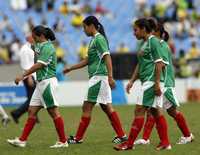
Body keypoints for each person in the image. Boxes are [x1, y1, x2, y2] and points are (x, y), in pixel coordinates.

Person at [63, 15, 127, 144]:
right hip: (99, 77)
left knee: (87, 106)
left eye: (84, 27)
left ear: (91, 26)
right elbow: (88, 60)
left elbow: (107, 57)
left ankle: (78, 138)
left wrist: (110, 76)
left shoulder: (99, 39)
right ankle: (122, 136)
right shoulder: (93, 40)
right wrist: (71, 68)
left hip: (99, 77)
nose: (83, 30)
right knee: (106, 107)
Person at [134, 18, 194, 146]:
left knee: (163, 110)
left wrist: (159, 83)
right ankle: (147, 138)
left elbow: (162, 65)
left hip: (165, 83)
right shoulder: (154, 44)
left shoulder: (161, 44)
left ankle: (185, 135)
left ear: (157, 32)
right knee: (160, 110)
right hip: (163, 82)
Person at [114, 18, 171, 151]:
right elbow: (141, 64)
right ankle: (165, 142)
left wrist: (157, 84)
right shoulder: (144, 44)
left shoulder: (153, 42)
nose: (134, 33)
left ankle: (129, 144)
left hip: (152, 82)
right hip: (147, 81)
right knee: (156, 112)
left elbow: (159, 63)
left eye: (135, 30)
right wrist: (132, 81)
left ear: (144, 29)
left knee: (139, 110)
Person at [7, 25, 68, 148]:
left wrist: (23, 75)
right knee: (31, 111)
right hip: (41, 84)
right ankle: (22, 140)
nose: (32, 37)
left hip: (47, 83)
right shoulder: (40, 45)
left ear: (40, 36)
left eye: (33, 35)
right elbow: (31, 46)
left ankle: (63, 141)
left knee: (53, 112)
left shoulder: (48, 48)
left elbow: (39, 65)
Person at [10, 35, 38, 124]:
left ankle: (33, 116)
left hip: (30, 76)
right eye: (33, 37)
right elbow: (26, 65)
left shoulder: (29, 48)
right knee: (32, 99)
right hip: (29, 76)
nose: (35, 39)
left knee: (33, 98)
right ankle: (16, 113)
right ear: (28, 39)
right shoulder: (25, 50)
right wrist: (29, 77)